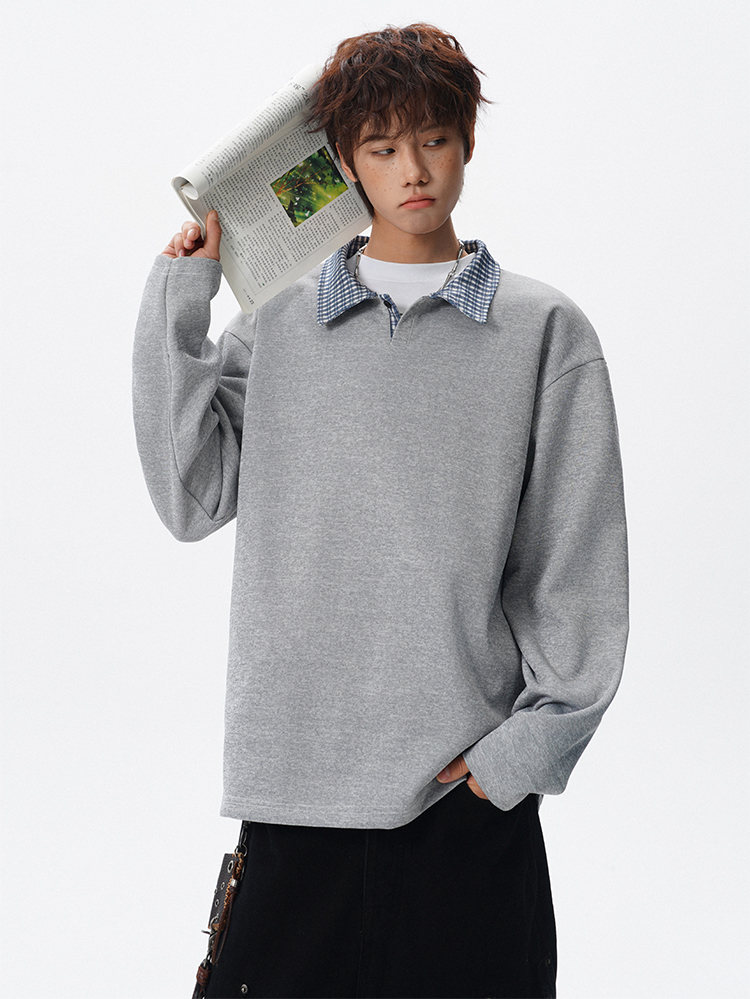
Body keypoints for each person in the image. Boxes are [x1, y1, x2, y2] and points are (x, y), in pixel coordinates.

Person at [132, 22, 629, 999]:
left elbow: (574, 566)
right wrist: (182, 294)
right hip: (292, 797)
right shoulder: (275, 326)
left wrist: (516, 761)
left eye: (435, 139)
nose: (415, 170)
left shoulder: (545, 333)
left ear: (467, 143)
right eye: (384, 146)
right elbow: (192, 497)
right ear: (345, 163)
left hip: (463, 808)